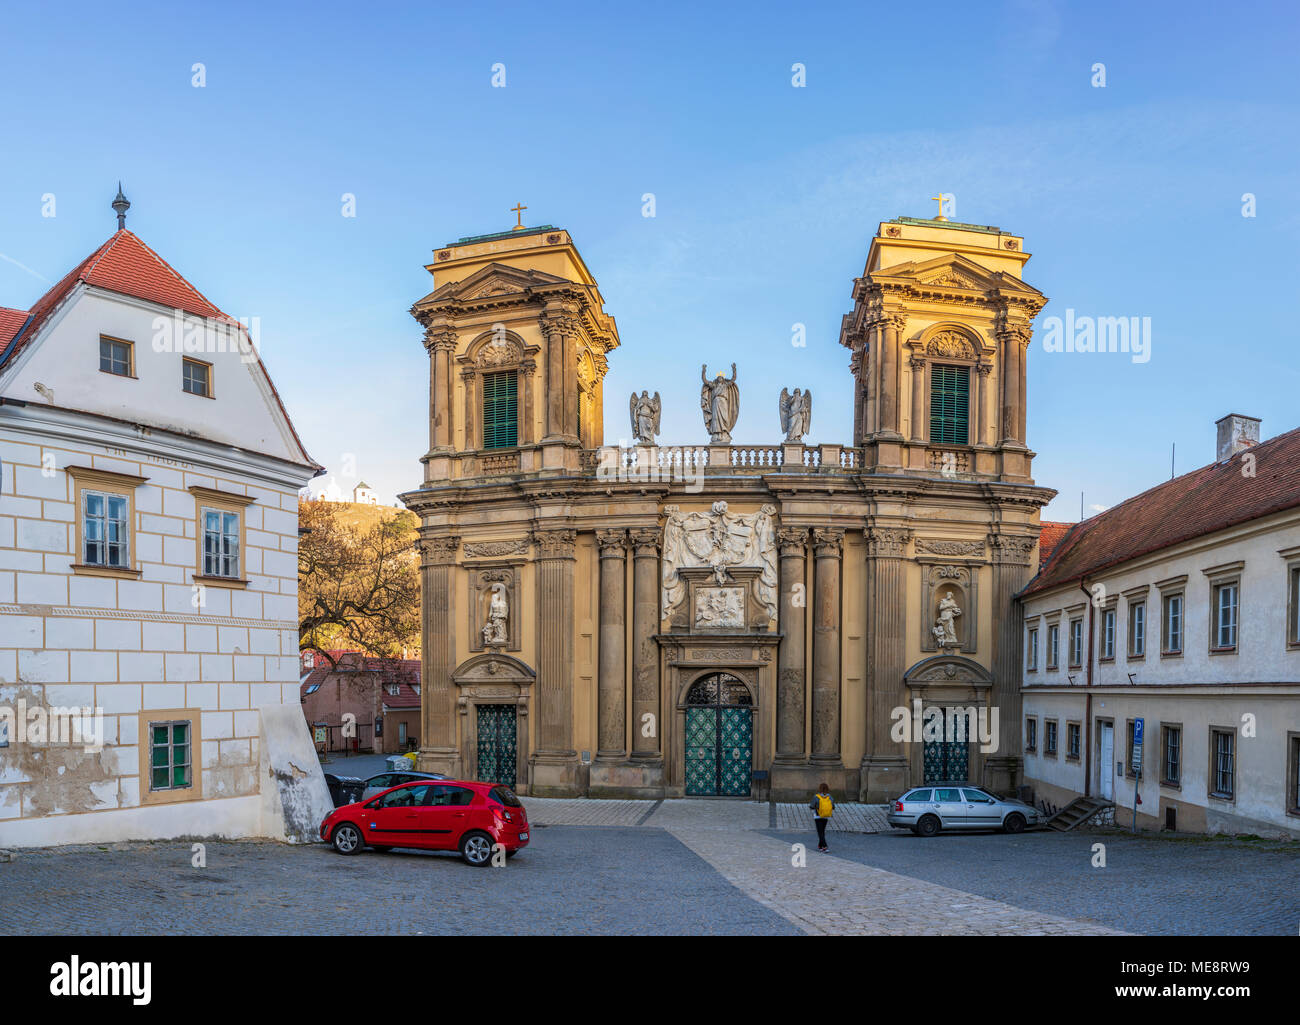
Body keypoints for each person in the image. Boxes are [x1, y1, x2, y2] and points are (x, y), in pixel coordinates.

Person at [809, 782, 834, 852]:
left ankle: (825, 846)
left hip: (818, 816)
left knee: (820, 832)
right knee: (822, 831)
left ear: (820, 789)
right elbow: (833, 807)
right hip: (826, 816)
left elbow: (811, 806)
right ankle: (820, 846)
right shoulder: (830, 797)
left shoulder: (816, 797)